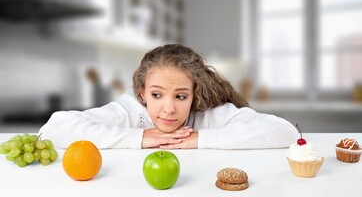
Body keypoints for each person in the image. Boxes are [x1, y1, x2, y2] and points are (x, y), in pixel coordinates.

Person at [39, 44, 298, 149]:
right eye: (156, 94)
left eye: (181, 96)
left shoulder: (205, 114)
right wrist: (140, 136)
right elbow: (53, 128)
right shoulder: (131, 109)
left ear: (195, 95)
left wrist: (200, 139)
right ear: (143, 93)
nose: (169, 109)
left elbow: (286, 132)